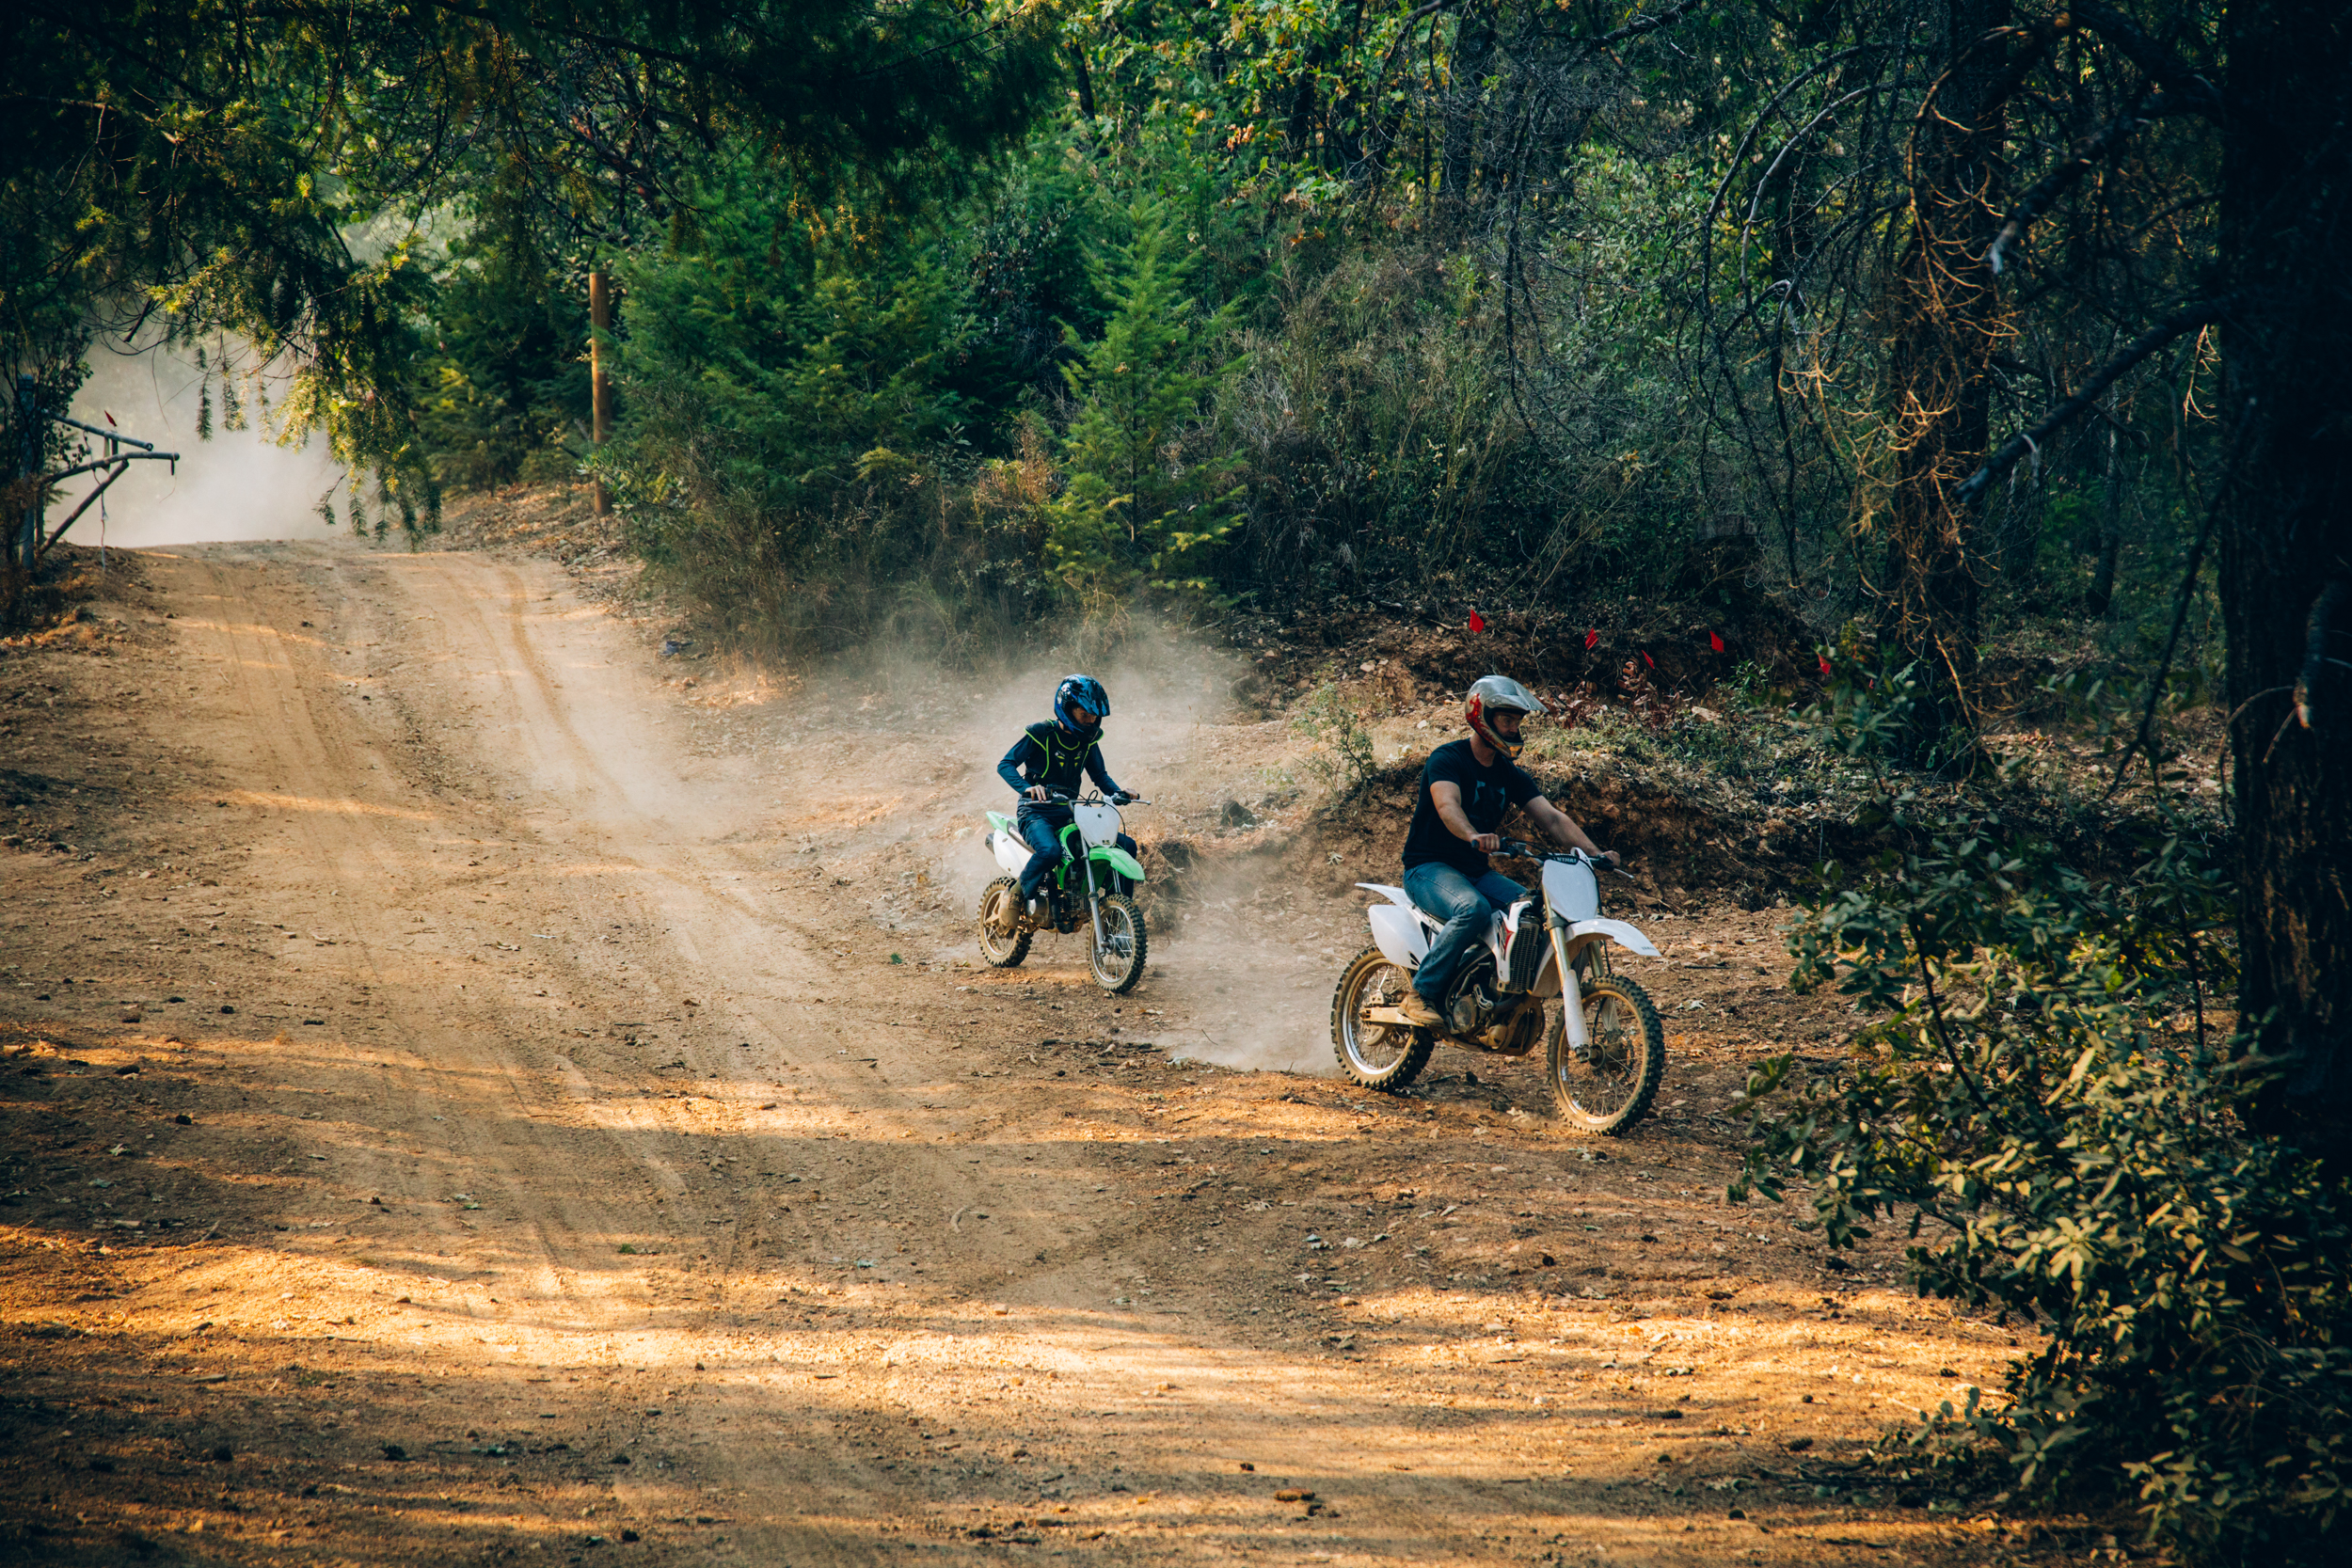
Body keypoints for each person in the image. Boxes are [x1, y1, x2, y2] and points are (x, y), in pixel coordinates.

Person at [1396, 675, 1618, 1029]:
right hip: (1429, 867)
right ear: (1481, 714)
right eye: (1506, 719)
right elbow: (1447, 805)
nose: (1513, 727)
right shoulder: (1448, 759)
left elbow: (1552, 819)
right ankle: (1420, 994)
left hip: (1475, 872)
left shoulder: (1509, 773)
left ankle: (1503, 998)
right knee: (1473, 909)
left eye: (1517, 720)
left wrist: (1596, 853)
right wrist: (1473, 835)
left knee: (1534, 913)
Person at [994, 674, 1139, 914]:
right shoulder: (1042, 732)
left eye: (1094, 717)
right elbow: (1005, 764)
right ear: (1067, 709)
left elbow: (1100, 777)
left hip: (1072, 812)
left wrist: (1119, 792)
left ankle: (1119, 913)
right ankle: (1015, 896)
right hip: (1035, 812)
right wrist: (1027, 788)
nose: (1090, 722)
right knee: (1050, 851)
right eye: (1084, 715)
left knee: (1128, 847)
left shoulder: (1088, 742)